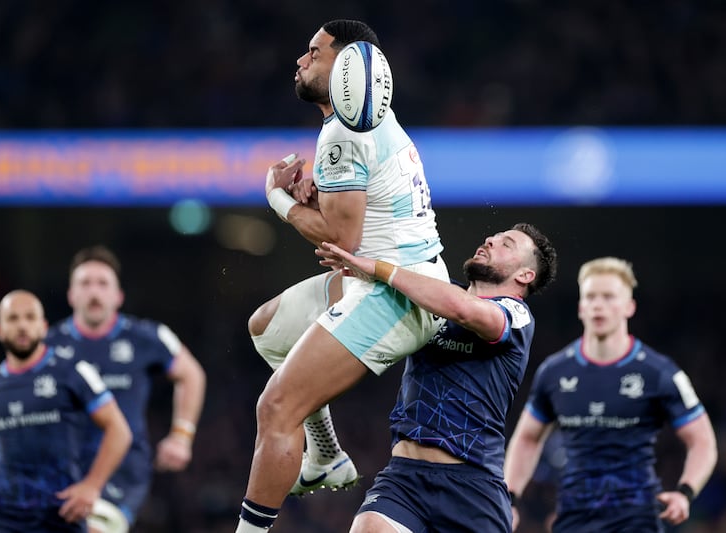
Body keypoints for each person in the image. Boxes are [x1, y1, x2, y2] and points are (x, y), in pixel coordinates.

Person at [237, 19, 450, 532]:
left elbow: (342, 241)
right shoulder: (365, 118)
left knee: (277, 406)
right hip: (386, 275)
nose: (300, 60)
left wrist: (278, 198)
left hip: (397, 293)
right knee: (268, 329)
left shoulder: (342, 130)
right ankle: (326, 455)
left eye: (314, 52)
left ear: (349, 63)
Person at [316, 223, 558, 532]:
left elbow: (463, 310)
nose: (489, 240)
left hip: (472, 487)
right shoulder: (429, 297)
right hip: (404, 479)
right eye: (492, 236)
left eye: (506, 244)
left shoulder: (516, 314)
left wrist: (380, 269)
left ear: (524, 275)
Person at [504, 257, 718, 532]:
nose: (598, 305)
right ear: (581, 307)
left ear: (630, 307)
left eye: (609, 297)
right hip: (574, 517)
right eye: (591, 297)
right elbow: (528, 438)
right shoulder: (554, 372)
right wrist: (510, 499)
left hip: (637, 518)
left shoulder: (659, 372)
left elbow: (702, 441)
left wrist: (685, 492)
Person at [46, 246, 206, 533]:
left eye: (102, 283)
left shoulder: (145, 336)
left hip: (123, 468)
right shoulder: (49, 346)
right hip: (62, 467)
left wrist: (181, 435)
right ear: (71, 294)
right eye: (85, 283)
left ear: (118, 295)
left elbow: (191, 374)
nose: (94, 292)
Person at [0, 290, 132, 532]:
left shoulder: (73, 371)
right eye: (13, 318)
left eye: (30, 318)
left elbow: (119, 429)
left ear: (43, 326)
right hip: (5, 518)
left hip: (61, 516)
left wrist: (92, 485)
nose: (22, 326)